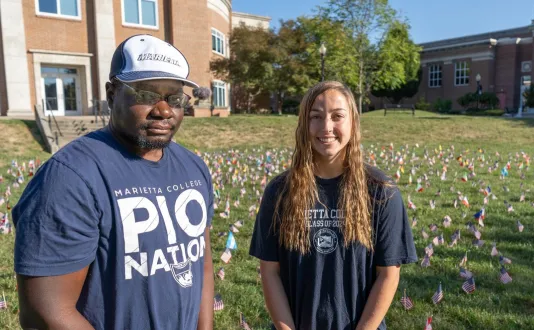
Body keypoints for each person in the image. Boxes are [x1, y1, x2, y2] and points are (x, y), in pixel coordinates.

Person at [12, 34, 215, 329]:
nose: (164, 110)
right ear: (111, 94)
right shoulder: (69, 177)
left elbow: (202, 264)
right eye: (145, 94)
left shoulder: (193, 167)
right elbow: (45, 311)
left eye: (174, 97)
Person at [249, 81, 417, 330]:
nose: (326, 127)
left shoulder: (382, 191)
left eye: (337, 116)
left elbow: (388, 274)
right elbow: (270, 271)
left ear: (353, 123)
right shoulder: (279, 191)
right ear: (304, 124)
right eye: (315, 116)